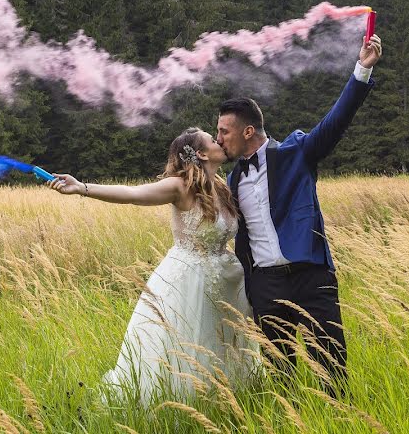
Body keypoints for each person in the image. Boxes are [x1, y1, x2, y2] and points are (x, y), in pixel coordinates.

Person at [216, 34, 383, 395]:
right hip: (265, 286)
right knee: (280, 376)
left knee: (332, 369)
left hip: (311, 277)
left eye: (223, 132)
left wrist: (362, 71)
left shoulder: (296, 152)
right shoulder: (232, 178)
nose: (218, 140)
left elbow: (334, 123)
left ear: (248, 131)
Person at [47, 127, 259, 405]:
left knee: (220, 343)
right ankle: (183, 404)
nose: (219, 140)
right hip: (188, 281)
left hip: (225, 281)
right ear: (201, 153)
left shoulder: (222, 186)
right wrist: (81, 188)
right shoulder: (179, 186)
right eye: (212, 138)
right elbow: (133, 193)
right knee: (186, 343)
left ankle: (223, 401)